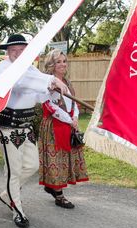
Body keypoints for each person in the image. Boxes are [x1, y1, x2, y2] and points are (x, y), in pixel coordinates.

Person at [0, 34, 69, 228]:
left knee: (32, 165)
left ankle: (7, 194)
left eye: (21, 50)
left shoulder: (31, 70)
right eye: (13, 50)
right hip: (7, 127)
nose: (17, 54)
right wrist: (49, 79)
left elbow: (38, 94)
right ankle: (17, 209)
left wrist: (51, 89)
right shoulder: (4, 68)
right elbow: (20, 83)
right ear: (7, 52)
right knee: (14, 170)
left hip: (26, 126)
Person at [38, 49, 89, 209]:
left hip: (68, 125)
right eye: (58, 61)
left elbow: (74, 103)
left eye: (64, 61)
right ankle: (59, 196)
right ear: (51, 65)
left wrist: (75, 117)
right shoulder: (47, 83)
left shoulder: (67, 82)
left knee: (65, 160)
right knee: (56, 161)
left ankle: (52, 186)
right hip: (54, 127)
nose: (62, 64)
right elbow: (49, 105)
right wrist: (68, 119)